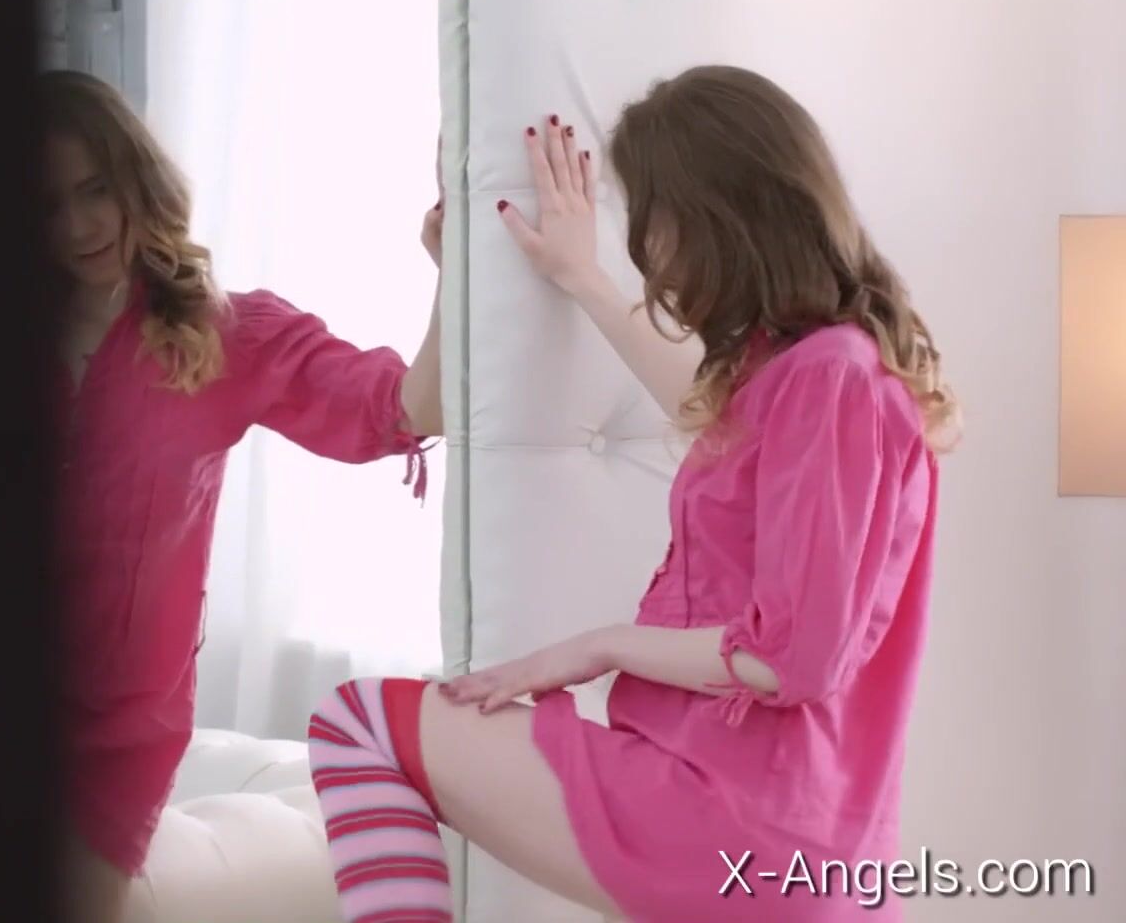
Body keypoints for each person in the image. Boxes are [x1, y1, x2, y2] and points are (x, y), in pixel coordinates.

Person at [306, 66, 959, 922]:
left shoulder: (831, 376)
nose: (649, 248)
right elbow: (709, 416)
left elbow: (792, 658)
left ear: (716, 214)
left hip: (738, 820)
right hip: (766, 829)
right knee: (362, 723)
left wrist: (600, 647)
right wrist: (581, 276)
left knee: (358, 725)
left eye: (652, 216)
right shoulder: (802, 369)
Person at [37, 69, 447, 921]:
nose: (78, 227)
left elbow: (406, 409)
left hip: (116, 731)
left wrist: (457, 271)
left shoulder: (225, 336)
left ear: (138, 180)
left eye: (97, 190)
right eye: (48, 204)